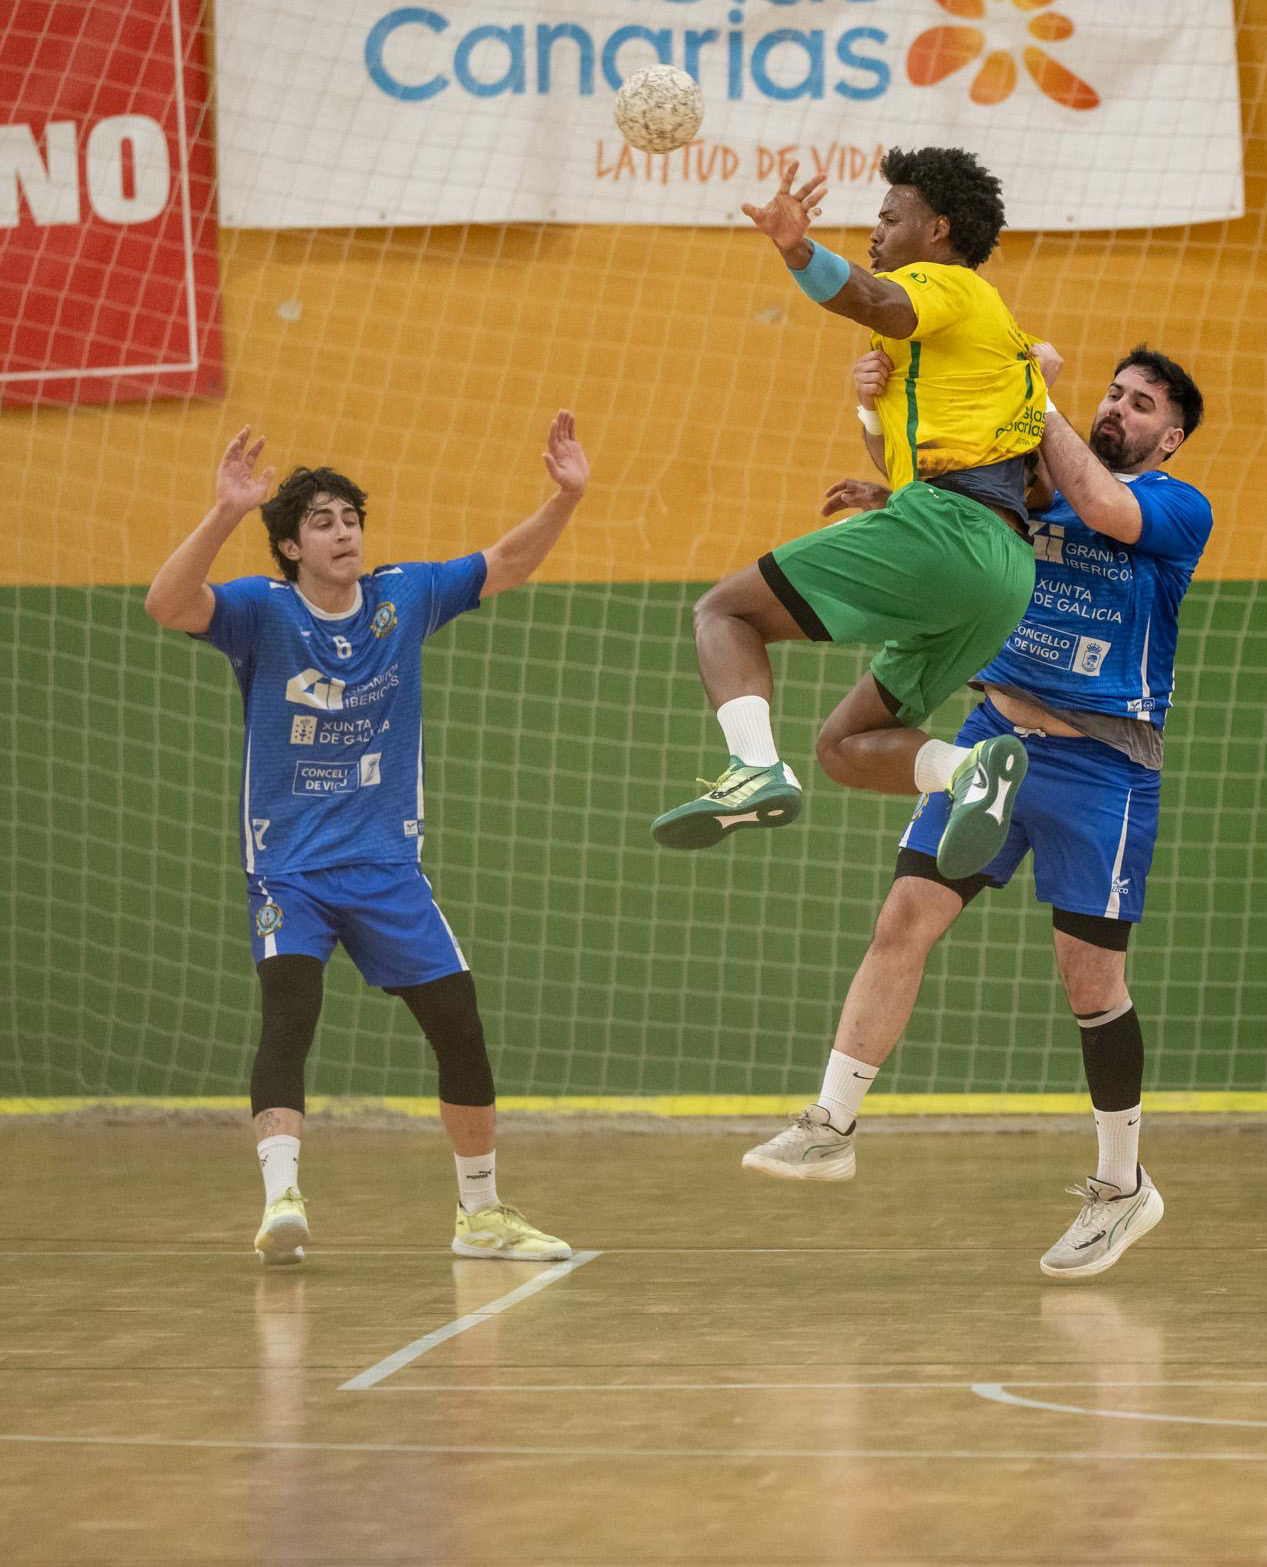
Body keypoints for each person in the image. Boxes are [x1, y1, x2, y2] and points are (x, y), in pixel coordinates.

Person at [738, 345, 1211, 1281]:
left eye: (1141, 402)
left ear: (1171, 437)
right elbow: (957, 501)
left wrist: (1033, 395)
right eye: (1113, 392)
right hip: (996, 738)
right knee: (902, 919)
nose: (1120, 406)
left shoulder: (1173, 506)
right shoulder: (1037, 485)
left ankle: (1123, 1187)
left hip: (1103, 765)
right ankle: (831, 1122)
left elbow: (1108, 507)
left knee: (1091, 983)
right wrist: (879, 439)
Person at [142, 416, 589, 1266]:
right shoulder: (258, 612)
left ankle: (481, 1214)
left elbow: (511, 561)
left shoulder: (402, 596)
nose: (343, 531)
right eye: (322, 521)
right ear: (289, 546)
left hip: (386, 864)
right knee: (290, 1014)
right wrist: (225, 510)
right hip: (290, 867)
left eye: (350, 517)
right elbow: (168, 603)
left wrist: (566, 495)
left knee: (458, 1024)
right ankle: (282, 1202)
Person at [651, 147, 1048, 881]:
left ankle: (752, 768)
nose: (875, 231)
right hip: (1005, 573)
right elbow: (988, 473)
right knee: (845, 745)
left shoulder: (947, 285)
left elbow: (874, 299)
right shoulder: (984, 343)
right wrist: (871, 414)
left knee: (723, 614)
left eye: (890, 217)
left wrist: (798, 249)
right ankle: (971, 771)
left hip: (946, 534)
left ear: (938, 230)